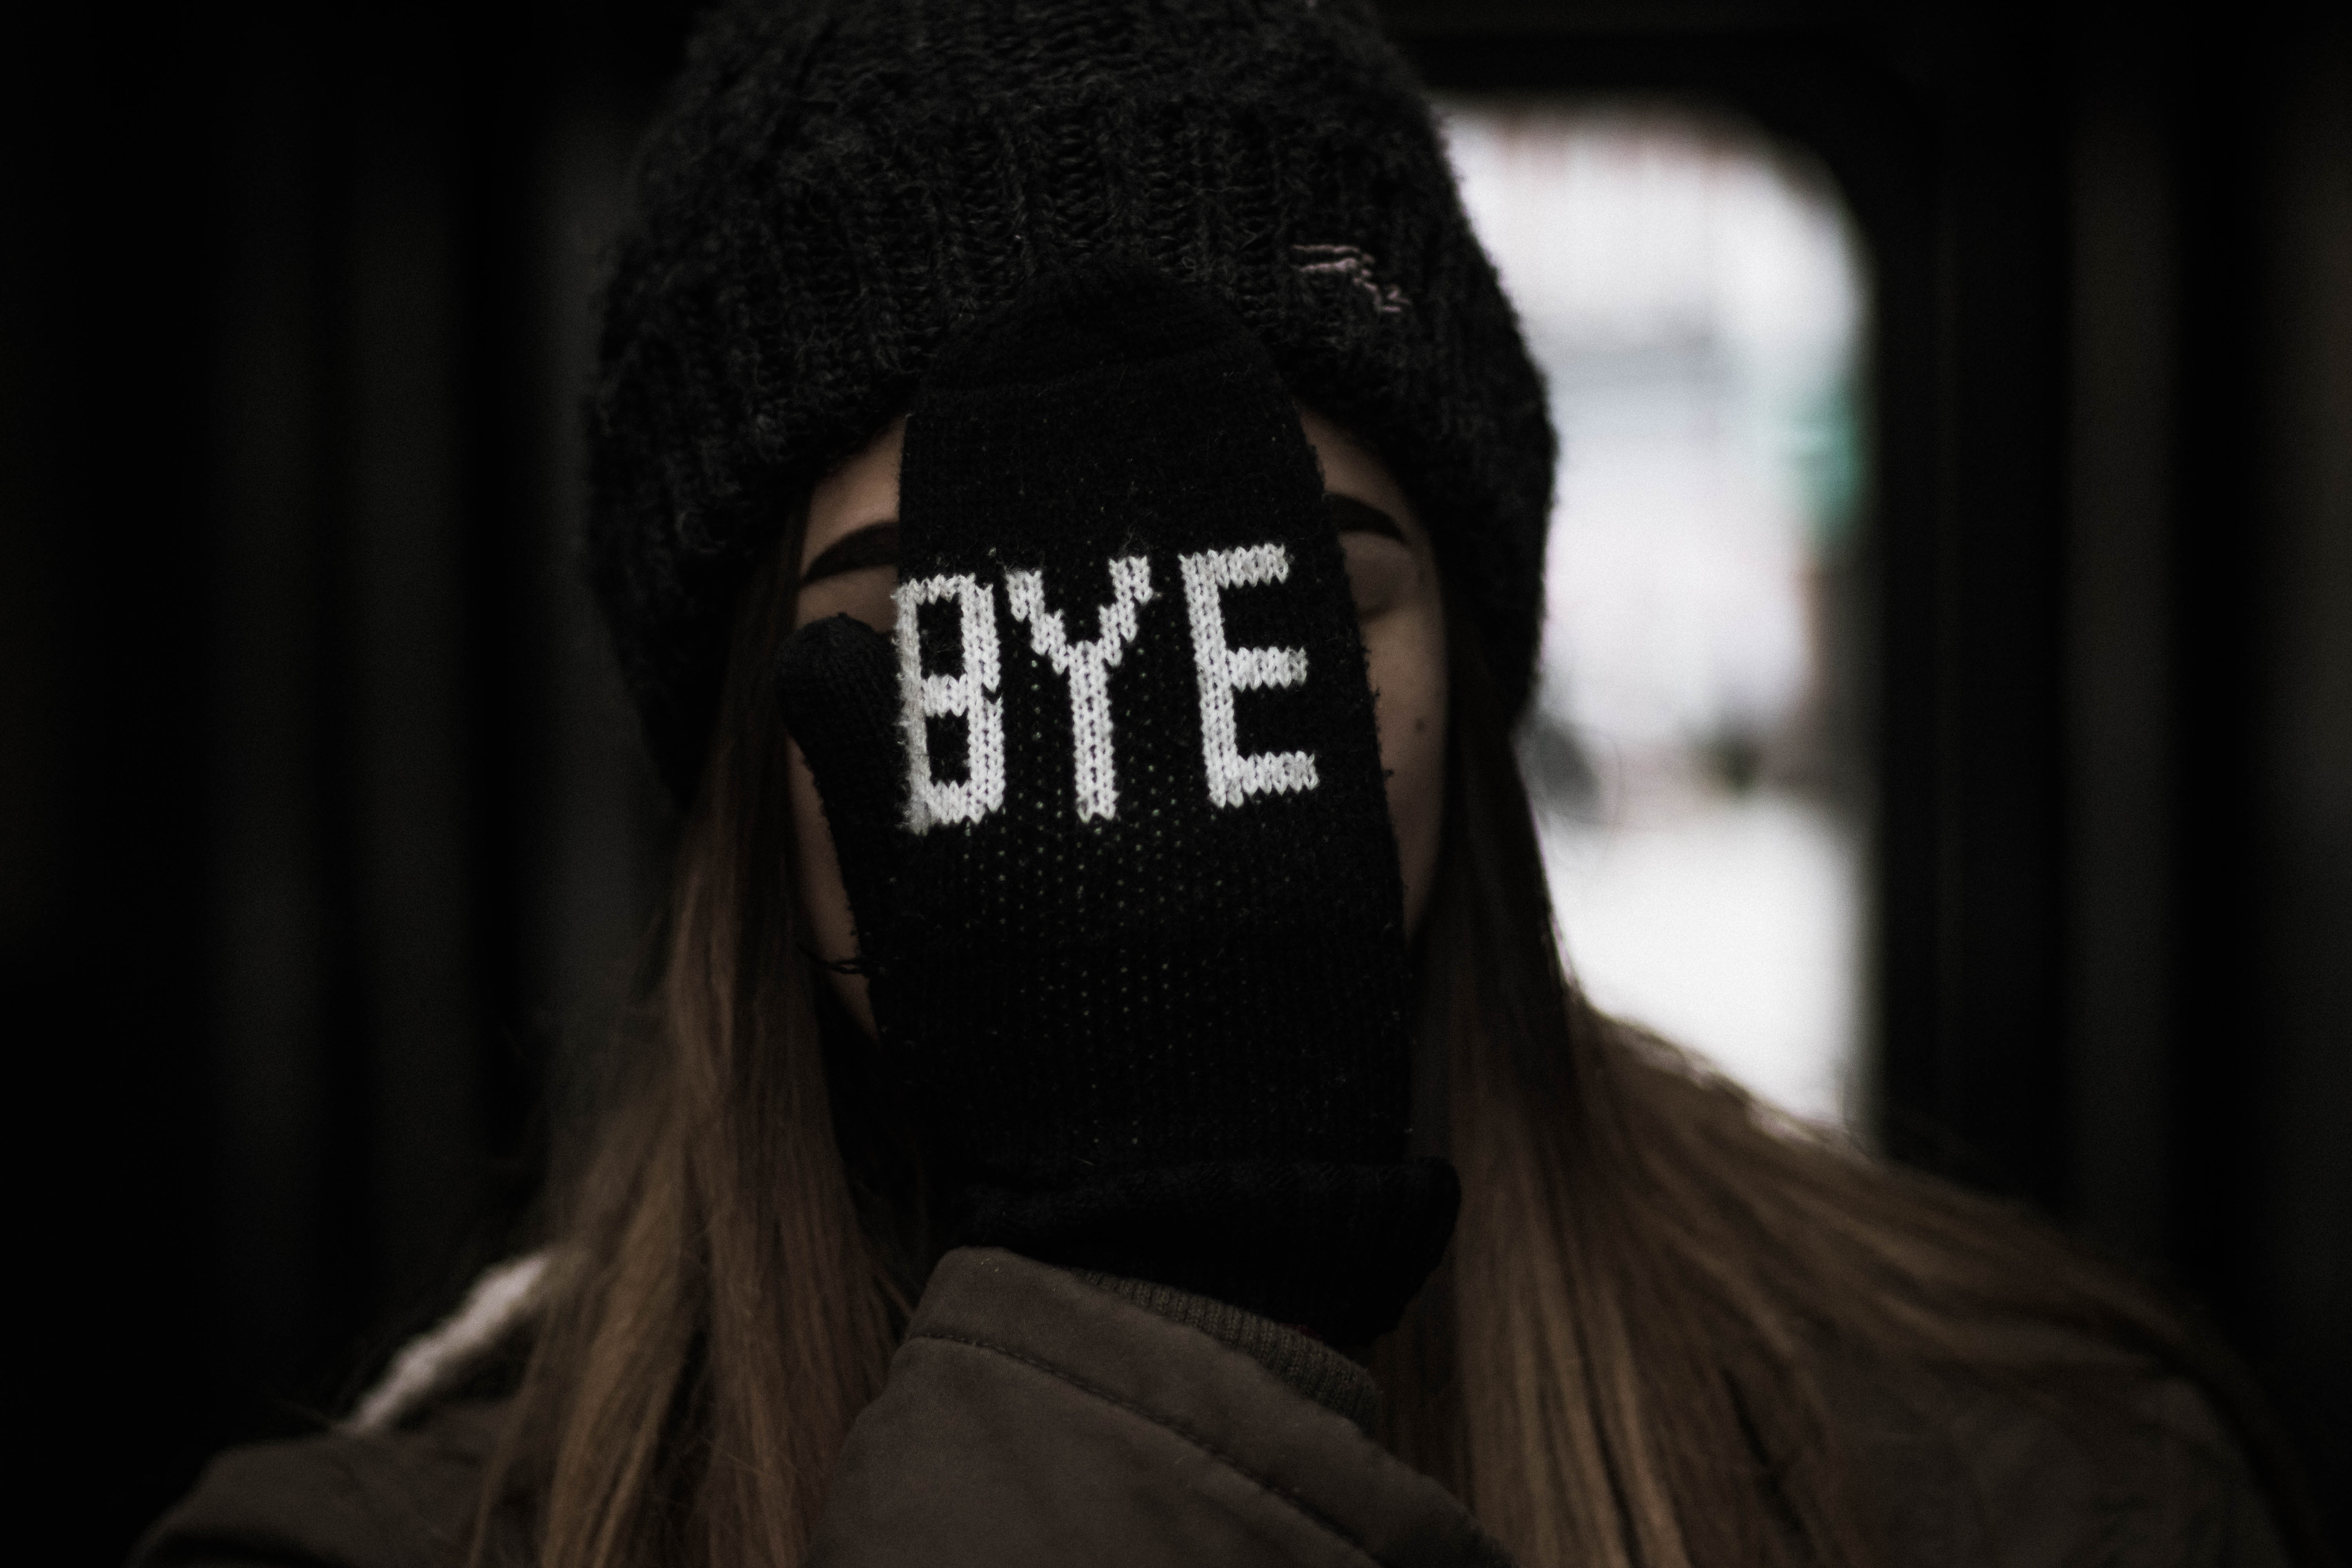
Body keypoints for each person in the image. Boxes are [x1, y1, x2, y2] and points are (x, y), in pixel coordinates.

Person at [137, 2, 2319, 1566]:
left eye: (1271, 606)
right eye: (953, 629)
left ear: (1471, 674)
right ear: (743, 756)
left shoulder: (2026, 1482)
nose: (1135, 768)